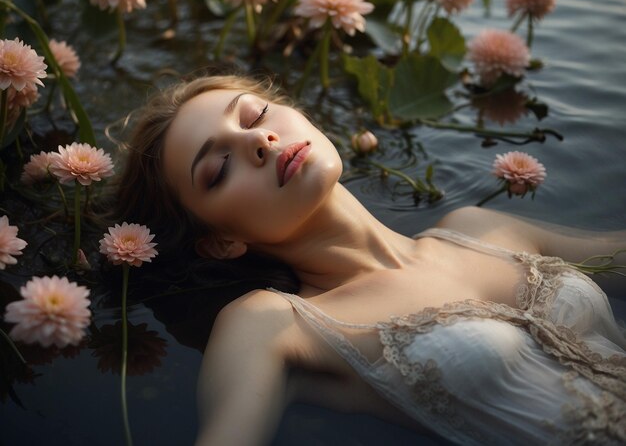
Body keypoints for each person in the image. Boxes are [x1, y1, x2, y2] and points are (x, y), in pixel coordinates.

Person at [116, 74, 626, 446]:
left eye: (255, 115)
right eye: (219, 167)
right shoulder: (277, 325)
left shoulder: (482, 228)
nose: (257, 140)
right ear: (220, 242)